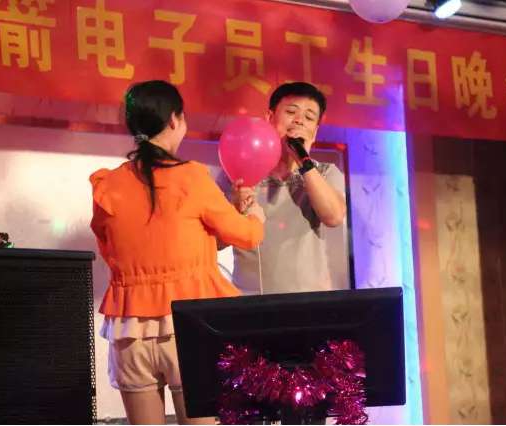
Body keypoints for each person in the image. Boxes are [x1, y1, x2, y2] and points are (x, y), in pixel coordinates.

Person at [89, 80, 265, 425]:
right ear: (174, 119)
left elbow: (109, 247)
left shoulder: (107, 185)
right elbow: (247, 236)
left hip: (129, 329)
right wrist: (255, 215)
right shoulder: (193, 178)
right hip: (189, 324)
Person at [222, 82, 347, 295]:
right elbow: (216, 243)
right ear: (269, 118)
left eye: (309, 117)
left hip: (308, 300)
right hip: (250, 302)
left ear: (315, 132)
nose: (299, 120)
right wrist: (235, 208)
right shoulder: (238, 173)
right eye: (291, 112)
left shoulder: (326, 173)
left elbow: (334, 217)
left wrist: (302, 161)